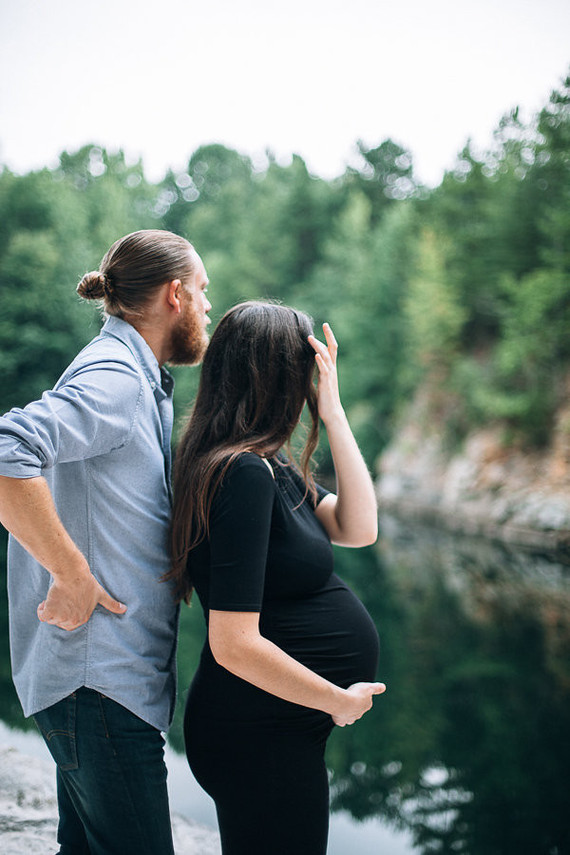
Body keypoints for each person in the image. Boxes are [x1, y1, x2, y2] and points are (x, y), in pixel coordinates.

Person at [0, 229, 211, 855]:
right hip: (99, 684)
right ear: (174, 294)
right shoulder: (117, 377)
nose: (206, 306)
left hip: (100, 685)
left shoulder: (130, 374)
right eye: (202, 291)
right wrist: (72, 575)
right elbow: (9, 450)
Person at [167, 300, 385, 855]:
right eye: (306, 368)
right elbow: (233, 644)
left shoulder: (268, 467)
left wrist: (334, 416)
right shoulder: (241, 474)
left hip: (276, 727)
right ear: (282, 374)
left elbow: (358, 527)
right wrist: (334, 699)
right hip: (258, 734)